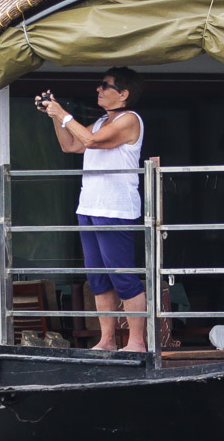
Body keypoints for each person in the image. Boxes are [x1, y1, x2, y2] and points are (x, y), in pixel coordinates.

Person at [38, 69, 147, 352]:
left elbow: (90, 141)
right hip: (89, 205)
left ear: (123, 94)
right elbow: (71, 144)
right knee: (98, 278)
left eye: (105, 86)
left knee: (123, 275)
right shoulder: (100, 121)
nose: (98, 89)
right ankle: (107, 339)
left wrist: (63, 113)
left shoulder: (130, 119)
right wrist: (55, 116)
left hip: (115, 209)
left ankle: (137, 341)